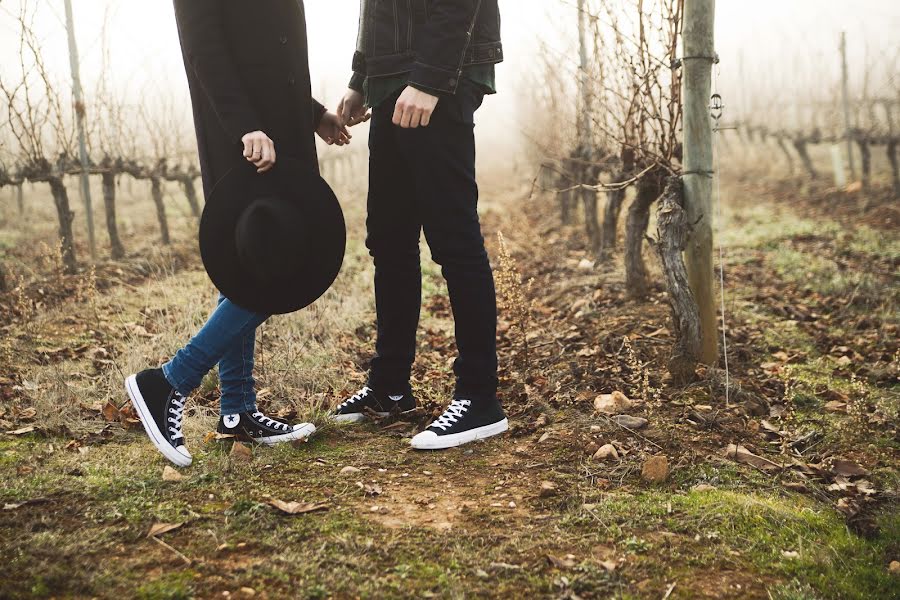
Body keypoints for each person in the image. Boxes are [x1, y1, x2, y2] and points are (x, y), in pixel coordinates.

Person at [125, 0, 351, 468]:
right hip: (245, 142)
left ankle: (237, 411)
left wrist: (312, 114)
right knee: (273, 268)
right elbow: (205, 50)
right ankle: (169, 381)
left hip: (280, 137)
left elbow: (270, 54)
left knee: (250, 269)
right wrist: (245, 126)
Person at [332, 0, 508, 450]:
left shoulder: (432, 79)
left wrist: (429, 78)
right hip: (394, 81)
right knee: (389, 242)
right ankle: (389, 388)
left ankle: (479, 398)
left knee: (454, 241)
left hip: (437, 80)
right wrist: (361, 77)